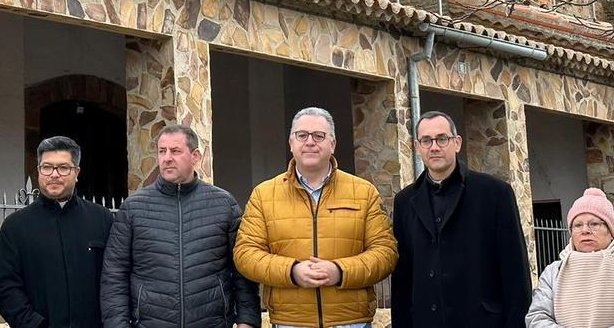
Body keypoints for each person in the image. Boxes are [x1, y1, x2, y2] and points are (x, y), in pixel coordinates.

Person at [234, 106, 397, 328]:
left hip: (352, 323)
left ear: (332, 144)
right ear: (291, 143)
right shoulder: (264, 195)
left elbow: (385, 253)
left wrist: (340, 271)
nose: (310, 142)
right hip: (289, 323)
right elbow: (246, 254)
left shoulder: (363, 192)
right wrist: (292, 271)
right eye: (302, 135)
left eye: (319, 135)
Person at [100, 124, 260, 328]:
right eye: (161, 151)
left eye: (175, 151)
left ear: (195, 157)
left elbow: (242, 268)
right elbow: (114, 273)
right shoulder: (133, 207)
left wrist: (247, 321)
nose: (166, 158)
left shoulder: (223, 204)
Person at [391, 110, 532, 328]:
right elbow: (402, 278)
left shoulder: (495, 193)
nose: (434, 147)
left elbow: (515, 272)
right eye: (426, 141)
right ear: (418, 147)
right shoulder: (404, 201)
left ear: (457, 143)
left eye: (442, 139)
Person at [0, 135, 114, 328]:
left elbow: (116, 279)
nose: (54, 174)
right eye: (47, 167)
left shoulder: (102, 219)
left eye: (63, 167)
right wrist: (33, 324)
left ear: (77, 172)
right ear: (38, 171)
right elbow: (3, 286)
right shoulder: (15, 227)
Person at [525, 188, 614, 328]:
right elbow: (536, 317)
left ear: (611, 232)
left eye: (594, 224)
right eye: (578, 225)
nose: (585, 230)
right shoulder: (554, 272)